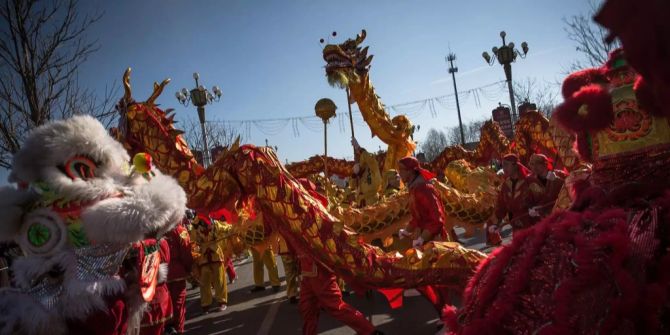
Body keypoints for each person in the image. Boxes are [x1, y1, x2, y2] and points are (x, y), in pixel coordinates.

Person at [295, 178, 383, 335]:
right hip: (307, 271)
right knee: (307, 309)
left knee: (337, 307)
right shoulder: (297, 211)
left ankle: (370, 332)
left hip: (320, 270)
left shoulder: (317, 214)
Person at [487, 154, 543, 246]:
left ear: (515, 165)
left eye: (506, 165)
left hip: (533, 226)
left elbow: (543, 199)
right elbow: (501, 206)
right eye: (503, 165)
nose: (503, 168)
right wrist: (496, 223)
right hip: (516, 227)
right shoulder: (505, 185)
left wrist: (538, 209)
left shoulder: (530, 182)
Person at [397, 156, 448, 247]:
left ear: (411, 171)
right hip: (423, 240)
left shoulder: (425, 189)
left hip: (435, 242)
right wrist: (406, 231)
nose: (399, 173)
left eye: (401, 169)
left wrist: (422, 238)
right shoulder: (413, 189)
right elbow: (418, 218)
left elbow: (437, 219)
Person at [190, 214, 229, 313]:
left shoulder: (214, 222)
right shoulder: (194, 225)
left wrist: (235, 229)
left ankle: (222, 302)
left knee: (219, 279)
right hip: (203, 257)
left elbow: (226, 228)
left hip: (216, 254)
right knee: (204, 281)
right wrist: (195, 251)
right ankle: (206, 304)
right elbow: (193, 241)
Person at [165, 216, 194, 335]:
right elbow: (186, 252)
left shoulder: (157, 232)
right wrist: (190, 268)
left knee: (168, 305)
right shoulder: (180, 230)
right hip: (177, 272)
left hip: (162, 274)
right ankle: (179, 330)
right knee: (178, 305)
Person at [140, 238, 173, 335]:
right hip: (159, 293)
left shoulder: (133, 246)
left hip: (142, 296)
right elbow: (167, 260)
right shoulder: (162, 242)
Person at [527, 153, 567, 218]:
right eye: (532, 164)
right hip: (543, 217)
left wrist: (556, 180)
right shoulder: (529, 180)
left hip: (561, 212)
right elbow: (528, 199)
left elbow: (569, 187)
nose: (534, 167)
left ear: (545, 164)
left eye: (538, 164)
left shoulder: (559, 174)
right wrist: (530, 209)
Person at [351, 138, 382, 207]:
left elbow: (369, 159)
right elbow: (352, 186)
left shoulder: (371, 168)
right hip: (360, 205)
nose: (355, 159)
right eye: (355, 158)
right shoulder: (359, 173)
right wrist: (354, 175)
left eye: (357, 157)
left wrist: (359, 149)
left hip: (373, 202)